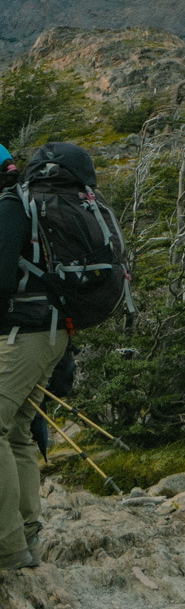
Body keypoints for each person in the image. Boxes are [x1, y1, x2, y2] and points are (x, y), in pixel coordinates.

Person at [0, 142, 70, 571]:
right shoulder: (25, 205)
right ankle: (26, 539)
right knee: (19, 433)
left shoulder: (9, 208)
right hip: (50, 332)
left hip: (25, 333)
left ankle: (7, 547)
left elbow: (3, 279)